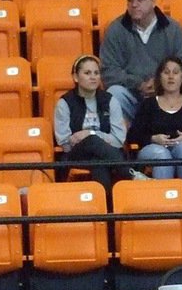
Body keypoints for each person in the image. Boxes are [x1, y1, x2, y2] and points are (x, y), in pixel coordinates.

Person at [99, 0, 182, 123]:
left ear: (153, 0)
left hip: (168, 96)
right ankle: (131, 136)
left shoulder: (172, 29)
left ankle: (178, 133)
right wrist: (138, 84)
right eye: (130, 0)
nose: (134, 4)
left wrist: (161, 84)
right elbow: (108, 70)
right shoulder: (116, 29)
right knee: (114, 93)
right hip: (133, 96)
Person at [126, 55, 182, 195]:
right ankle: (163, 202)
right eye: (166, 72)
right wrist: (153, 139)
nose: (171, 76)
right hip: (153, 148)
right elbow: (133, 135)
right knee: (162, 154)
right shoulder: (149, 104)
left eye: (176, 72)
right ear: (159, 77)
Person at [54, 54, 131, 199]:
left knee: (98, 161)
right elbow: (65, 143)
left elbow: (119, 140)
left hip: (105, 155)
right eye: (87, 73)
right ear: (76, 77)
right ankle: (130, 173)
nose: (93, 77)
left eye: (96, 73)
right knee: (91, 141)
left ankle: (103, 210)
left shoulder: (110, 101)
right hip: (77, 155)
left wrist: (90, 133)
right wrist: (91, 139)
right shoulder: (64, 103)